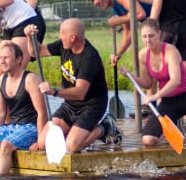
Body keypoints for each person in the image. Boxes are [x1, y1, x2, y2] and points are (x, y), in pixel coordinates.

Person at [24, 18, 121, 154]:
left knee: (73, 146)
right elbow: (36, 52)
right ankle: (74, 130)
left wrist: (54, 91)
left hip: (91, 105)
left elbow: (80, 92)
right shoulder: (64, 45)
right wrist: (30, 37)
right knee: (43, 143)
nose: (59, 36)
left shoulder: (89, 58)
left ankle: (105, 127)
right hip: (71, 105)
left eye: (62, 33)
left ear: (73, 37)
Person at [120, 18, 186, 148]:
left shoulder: (170, 51)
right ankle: (173, 132)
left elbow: (175, 80)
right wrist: (131, 76)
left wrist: (155, 96)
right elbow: (147, 83)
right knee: (148, 140)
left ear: (159, 34)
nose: (147, 40)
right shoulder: (143, 55)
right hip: (169, 103)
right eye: (144, 37)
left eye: (151, 36)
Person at [0, 41, 47, 176]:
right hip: (12, 126)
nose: (2, 61)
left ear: (19, 59)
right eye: (0, 58)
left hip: (31, 127)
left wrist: (40, 140)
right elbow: (1, 112)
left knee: (6, 145)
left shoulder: (30, 79)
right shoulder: (2, 79)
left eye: (6, 58)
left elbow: (42, 112)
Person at [87, 0, 154, 64]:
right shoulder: (116, 6)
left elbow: (140, 14)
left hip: (169, 10)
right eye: (92, 0)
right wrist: (118, 54)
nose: (95, 2)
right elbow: (128, 31)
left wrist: (117, 20)